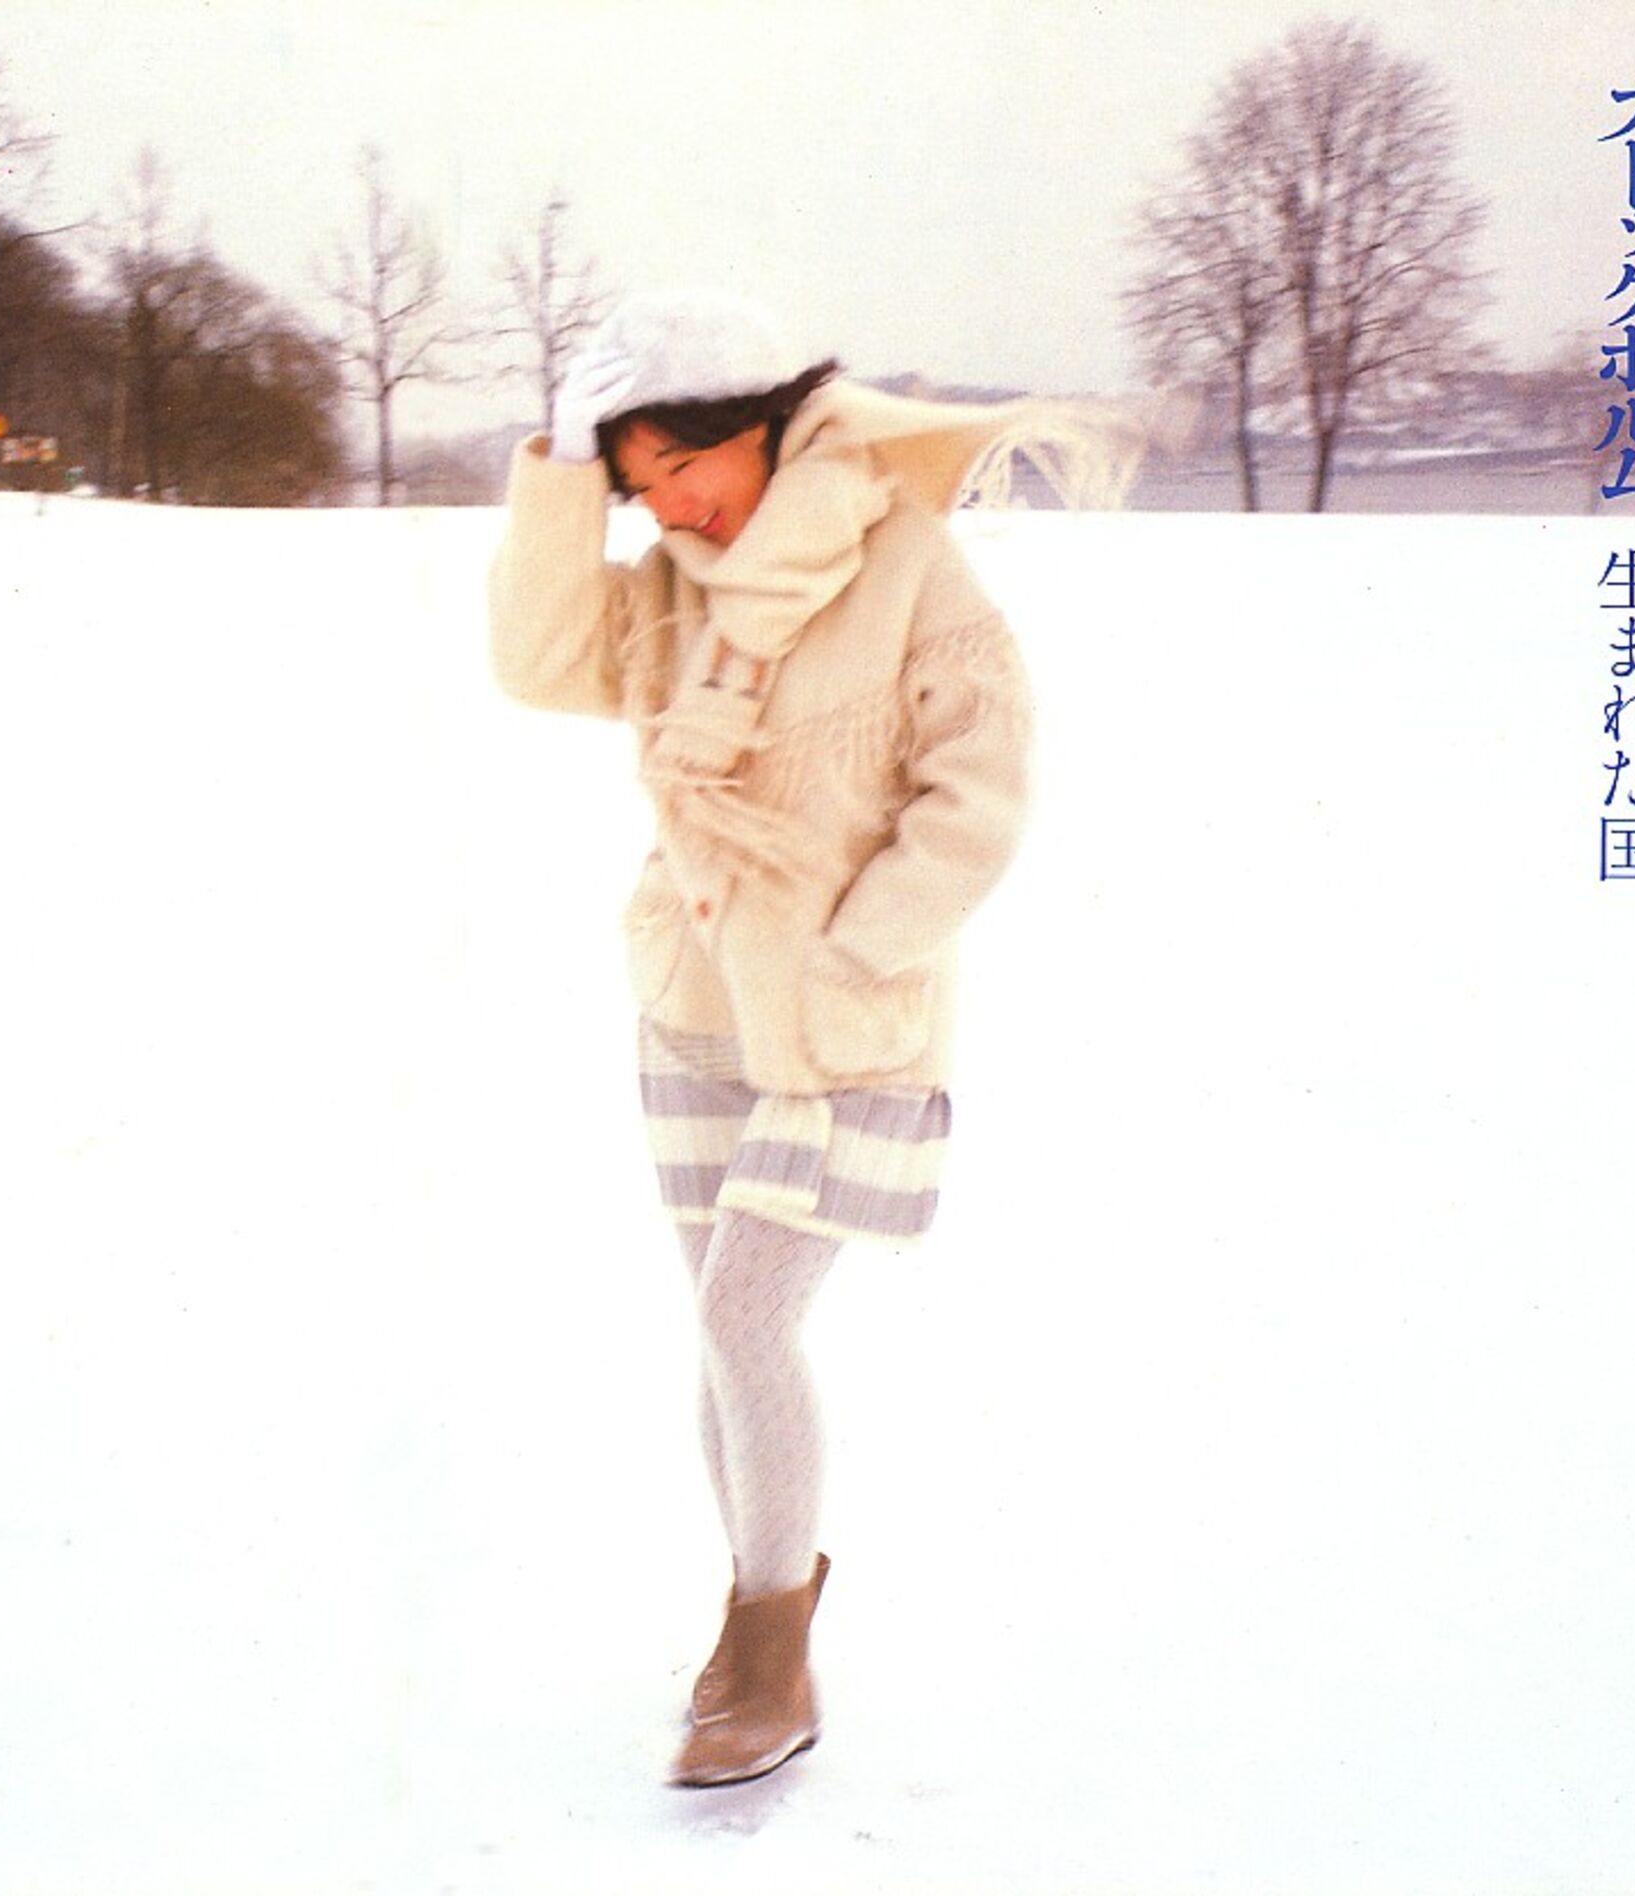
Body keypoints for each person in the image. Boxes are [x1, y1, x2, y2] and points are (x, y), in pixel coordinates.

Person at [486, 287, 1123, 1788]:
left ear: (762, 426)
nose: (666, 502)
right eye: (634, 480)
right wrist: (563, 471)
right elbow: (536, 660)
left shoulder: (906, 565)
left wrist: (855, 957)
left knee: (743, 1322)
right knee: (719, 1336)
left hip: (846, 1027)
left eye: (681, 462)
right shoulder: (670, 591)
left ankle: (769, 1647)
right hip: (693, 1007)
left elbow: (979, 794)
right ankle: (756, 1613)